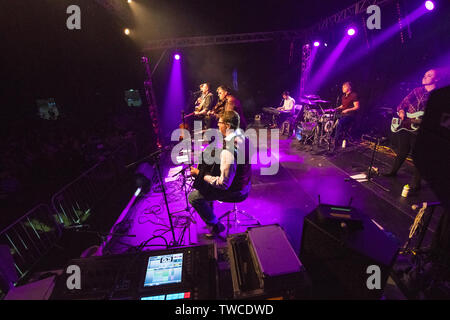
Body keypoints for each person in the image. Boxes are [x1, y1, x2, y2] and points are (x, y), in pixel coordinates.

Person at [188, 110, 251, 237]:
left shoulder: (228, 151)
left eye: (220, 122)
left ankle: (215, 225)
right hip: (246, 184)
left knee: (194, 197)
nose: (218, 125)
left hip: (236, 191)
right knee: (207, 183)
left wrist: (200, 173)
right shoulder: (243, 137)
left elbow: (223, 184)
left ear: (227, 125)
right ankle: (211, 216)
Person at [383, 69, 442, 192]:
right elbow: (401, 105)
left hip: (422, 130)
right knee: (402, 151)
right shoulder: (417, 91)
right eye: (425, 74)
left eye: (429, 75)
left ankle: (416, 183)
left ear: (436, 79)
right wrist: (401, 112)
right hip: (406, 125)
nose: (425, 77)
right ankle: (393, 172)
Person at [333, 82, 360, 149]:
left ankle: (336, 141)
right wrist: (337, 108)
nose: (342, 88)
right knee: (331, 117)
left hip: (350, 115)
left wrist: (347, 110)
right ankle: (330, 135)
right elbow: (343, 106)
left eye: (344, 87)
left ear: (348, 87)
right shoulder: (343, 96)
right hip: (343, 114)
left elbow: (357, 107)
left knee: (339, 123)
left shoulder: (354, 95)